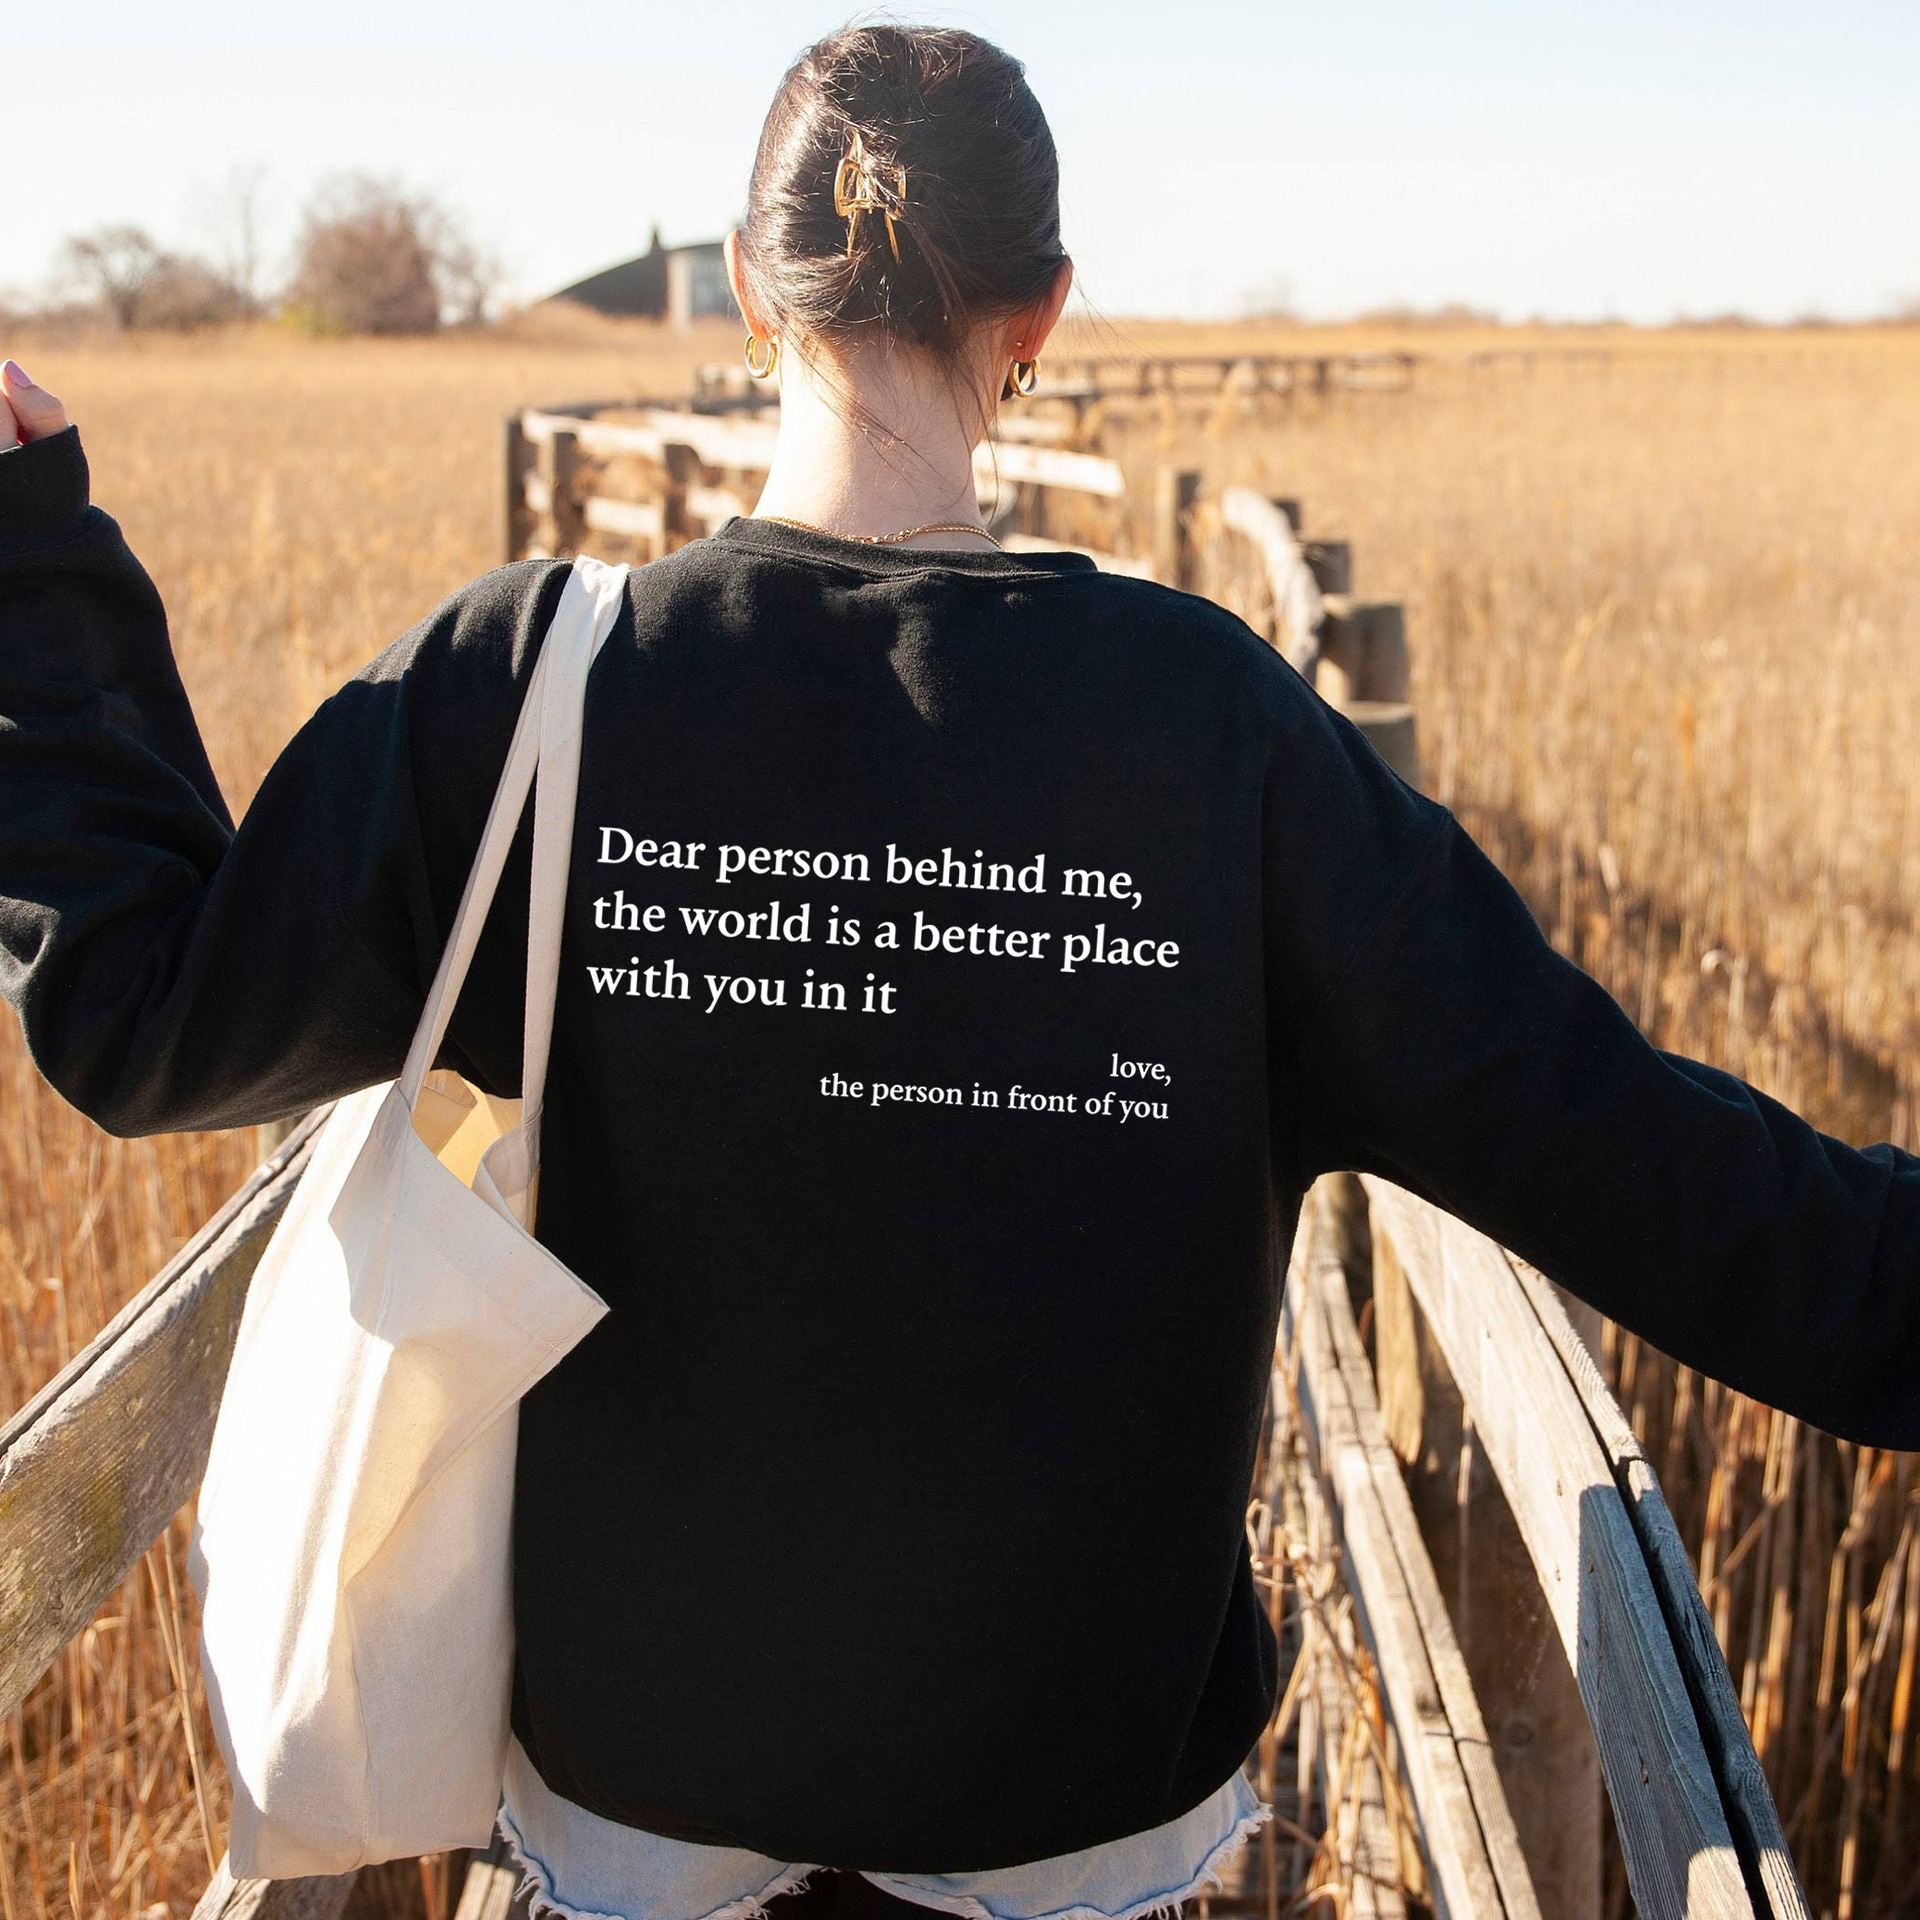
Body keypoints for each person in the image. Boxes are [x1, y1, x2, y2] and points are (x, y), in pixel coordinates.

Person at [2, 17, 1917, 1920]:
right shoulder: (1214, 733)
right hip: (1075, 1811)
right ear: (1043, 310)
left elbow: (149, 1020)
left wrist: (36, 569)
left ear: (750, 285)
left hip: (648, 1790)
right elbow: (1614, 1147)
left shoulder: (535, 690)